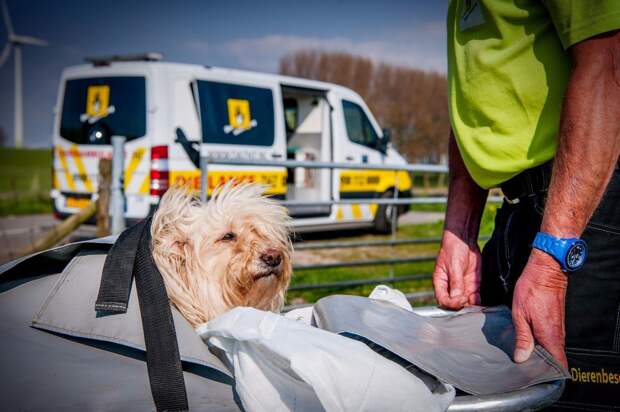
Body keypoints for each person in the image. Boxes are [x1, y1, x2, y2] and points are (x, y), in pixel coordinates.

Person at [433, 1, 620, 409]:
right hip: (517, 213)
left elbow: (608, 65)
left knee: (569, 397)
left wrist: (554, 255)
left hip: (583, 212)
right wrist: (460, 231)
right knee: (503, 393)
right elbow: (473, 105)